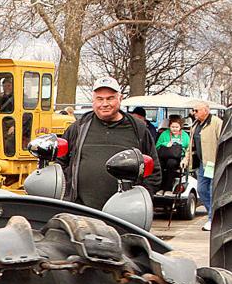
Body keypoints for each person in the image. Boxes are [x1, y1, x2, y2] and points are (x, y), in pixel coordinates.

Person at [56, 76, 160, 210]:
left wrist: (139, 201)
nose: (104, 104)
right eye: (100, 99)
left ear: (120, 98)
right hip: (81, 212)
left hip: (123, 215)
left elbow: (154, 171)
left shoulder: (138, 130)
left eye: (110, 98)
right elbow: (60, 164)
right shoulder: (78, 128)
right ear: (93, 101)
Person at [190, 102, 224, 230]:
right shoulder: (195, 125)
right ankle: (214, 214)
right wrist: (187, 159)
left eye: (197, 110)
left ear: (205, 111)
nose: (194, 113)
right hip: (202, 163)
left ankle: (211, 219)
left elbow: (222, 141)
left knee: (212, 191)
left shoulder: (216, 122)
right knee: (201, 190)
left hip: (213, 163)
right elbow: (191, 146)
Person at [155, 117, 191, 193]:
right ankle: (160, 188)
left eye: (177, 127)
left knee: (171, 163)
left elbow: (189, 148)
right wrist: (165, 144)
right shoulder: (164, 134)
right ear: (169, 127)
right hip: (164, 156)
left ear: (180, 127)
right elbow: (157, 146)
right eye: (172, 127)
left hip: (177, 157)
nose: (174, 129)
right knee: (159, 165)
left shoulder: (185, 136)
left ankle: (168, 188)